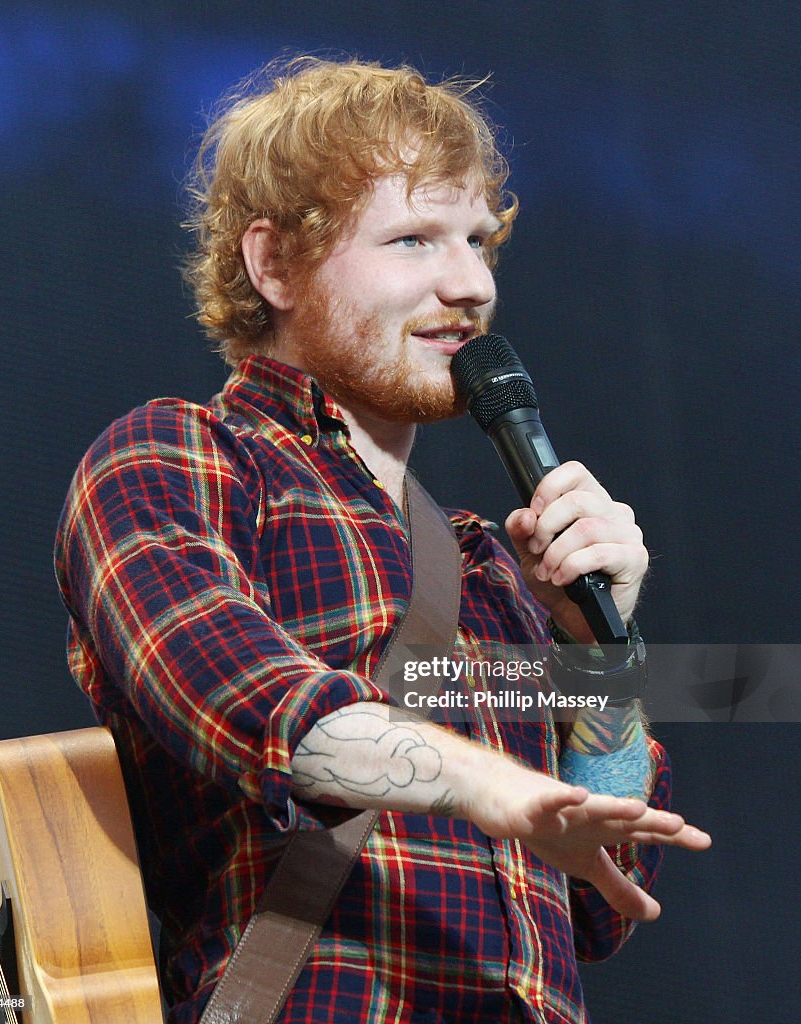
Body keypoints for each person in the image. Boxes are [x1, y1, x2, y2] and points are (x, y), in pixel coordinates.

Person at [54, 57, 710, 1024]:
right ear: (273, 264)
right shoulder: (180, 456)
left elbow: (600, 893)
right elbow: (248, 701)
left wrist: (597, 648)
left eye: (478, 241)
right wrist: (486, 784)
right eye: (413, 240)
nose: (471, 282)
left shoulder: (491, 561)